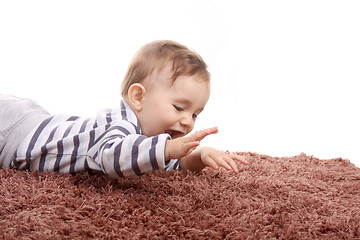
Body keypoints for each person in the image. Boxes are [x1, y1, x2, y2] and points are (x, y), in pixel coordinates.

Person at [0, 40, 248, 177]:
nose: (188, 122)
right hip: (16, 131)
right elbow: (113, 156)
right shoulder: (120, 123)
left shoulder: (147, 144)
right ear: (138, 97)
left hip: (35, 123)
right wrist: (168, 148)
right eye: (179, 108)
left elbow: (168, 161)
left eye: (195, 114)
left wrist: (199, 156)